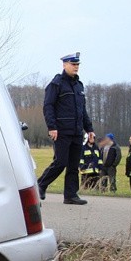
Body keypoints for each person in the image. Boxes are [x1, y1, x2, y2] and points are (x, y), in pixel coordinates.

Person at [37, 52, 94, 205]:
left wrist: (89, 130)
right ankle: (40, 186)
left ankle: (70, 195)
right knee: (60, 162)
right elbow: (48, 106)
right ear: (64, 65)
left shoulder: (79, 86)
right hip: (61, 131)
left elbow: (83, 111)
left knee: (74, 166)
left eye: (77, 65)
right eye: (73, 64)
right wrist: (52, 127)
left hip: (76, 132)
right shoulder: (56, 84)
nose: (76, 67)